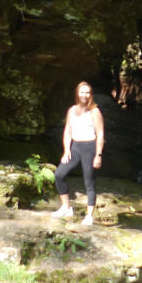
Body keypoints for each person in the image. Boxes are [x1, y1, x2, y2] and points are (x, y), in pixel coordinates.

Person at [53, 81, 104, 225]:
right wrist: (66, 150)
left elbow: (100, 134)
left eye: (87, 92)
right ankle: (66, 207)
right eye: (82, 92)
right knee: (59, 174)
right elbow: (67, 132)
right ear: (77, 93)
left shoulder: (95, 111)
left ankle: (89, 216)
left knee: (89, 182)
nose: (85, 95)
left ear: (91, 95)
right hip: (75, 147)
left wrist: (98, 155)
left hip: (90, 148)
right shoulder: (72, 110)